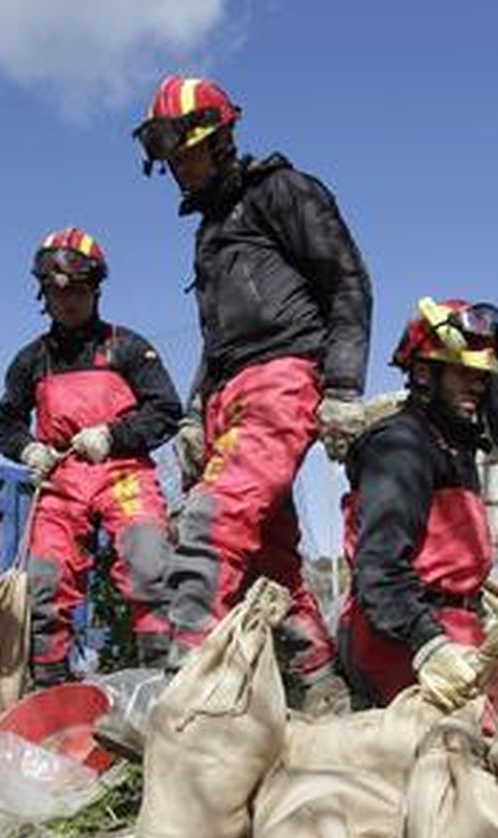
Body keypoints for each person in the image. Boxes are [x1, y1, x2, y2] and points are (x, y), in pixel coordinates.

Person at [132, 74, 370, 712]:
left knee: (211, 521)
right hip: (227, 395)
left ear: (220, 141)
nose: (178, 169)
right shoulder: (211, 230)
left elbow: (347, 281)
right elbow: (216, 341)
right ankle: (319, 679)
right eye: (169, 159)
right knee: (268, 555)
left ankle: (185, 696)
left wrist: (342, 386)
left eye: (186, 154)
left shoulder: (283, 192)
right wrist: (192, 416)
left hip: (282, 378)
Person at [339, 298, 498, 744]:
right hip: (400, 636)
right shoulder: (400, 448)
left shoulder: (453, 446)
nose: (477, 385)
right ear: (423, 373)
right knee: (487, 749)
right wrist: (430, 646)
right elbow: (379, 568)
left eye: (482, 375)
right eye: (463, 373)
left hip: (456, 627)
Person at [0, 227, 181, 683]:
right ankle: (50, 684)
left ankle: (163, 681)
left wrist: (114, 435)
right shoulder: (31, 360)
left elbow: (166, 410)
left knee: (148, 563)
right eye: (57, 292)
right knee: (45, 581)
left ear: (96, 288)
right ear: (43, 295)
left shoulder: (129, 347)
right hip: (60, 479)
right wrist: (27, 448)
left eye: (77, 290)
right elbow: (7, 422)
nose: (68, 301)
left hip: (123, 472)